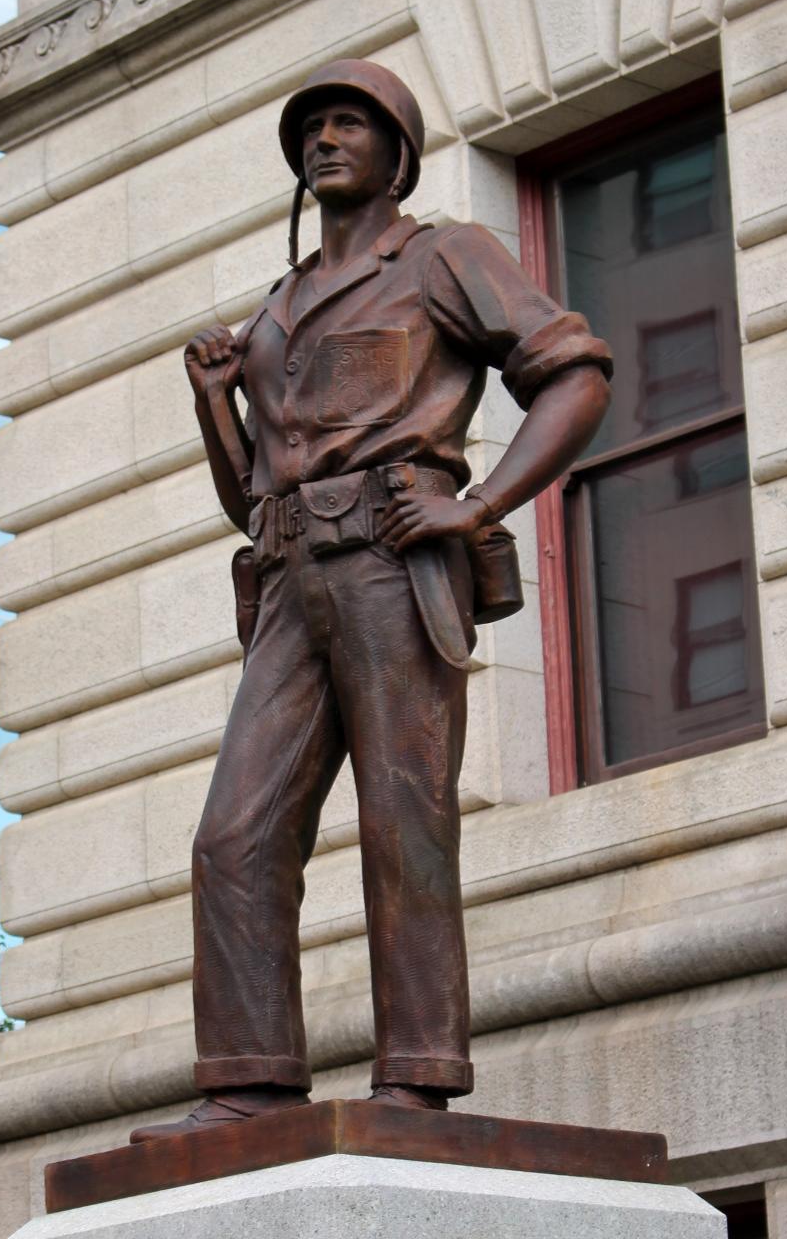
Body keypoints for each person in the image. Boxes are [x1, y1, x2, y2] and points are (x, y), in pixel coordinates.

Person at [131, 59, 611, 1141]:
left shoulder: (443, 254)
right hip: (290, 573)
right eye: (312, 129)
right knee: (231, 835)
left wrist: (480, 502)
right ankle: (249, 1075)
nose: (326, 140)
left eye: (351, 124)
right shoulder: (275, 306)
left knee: (403, 821)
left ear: (395, 151)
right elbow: (249, 489)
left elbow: (572, 371)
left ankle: (418, 1073)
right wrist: (217, 401)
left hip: (394, 560)